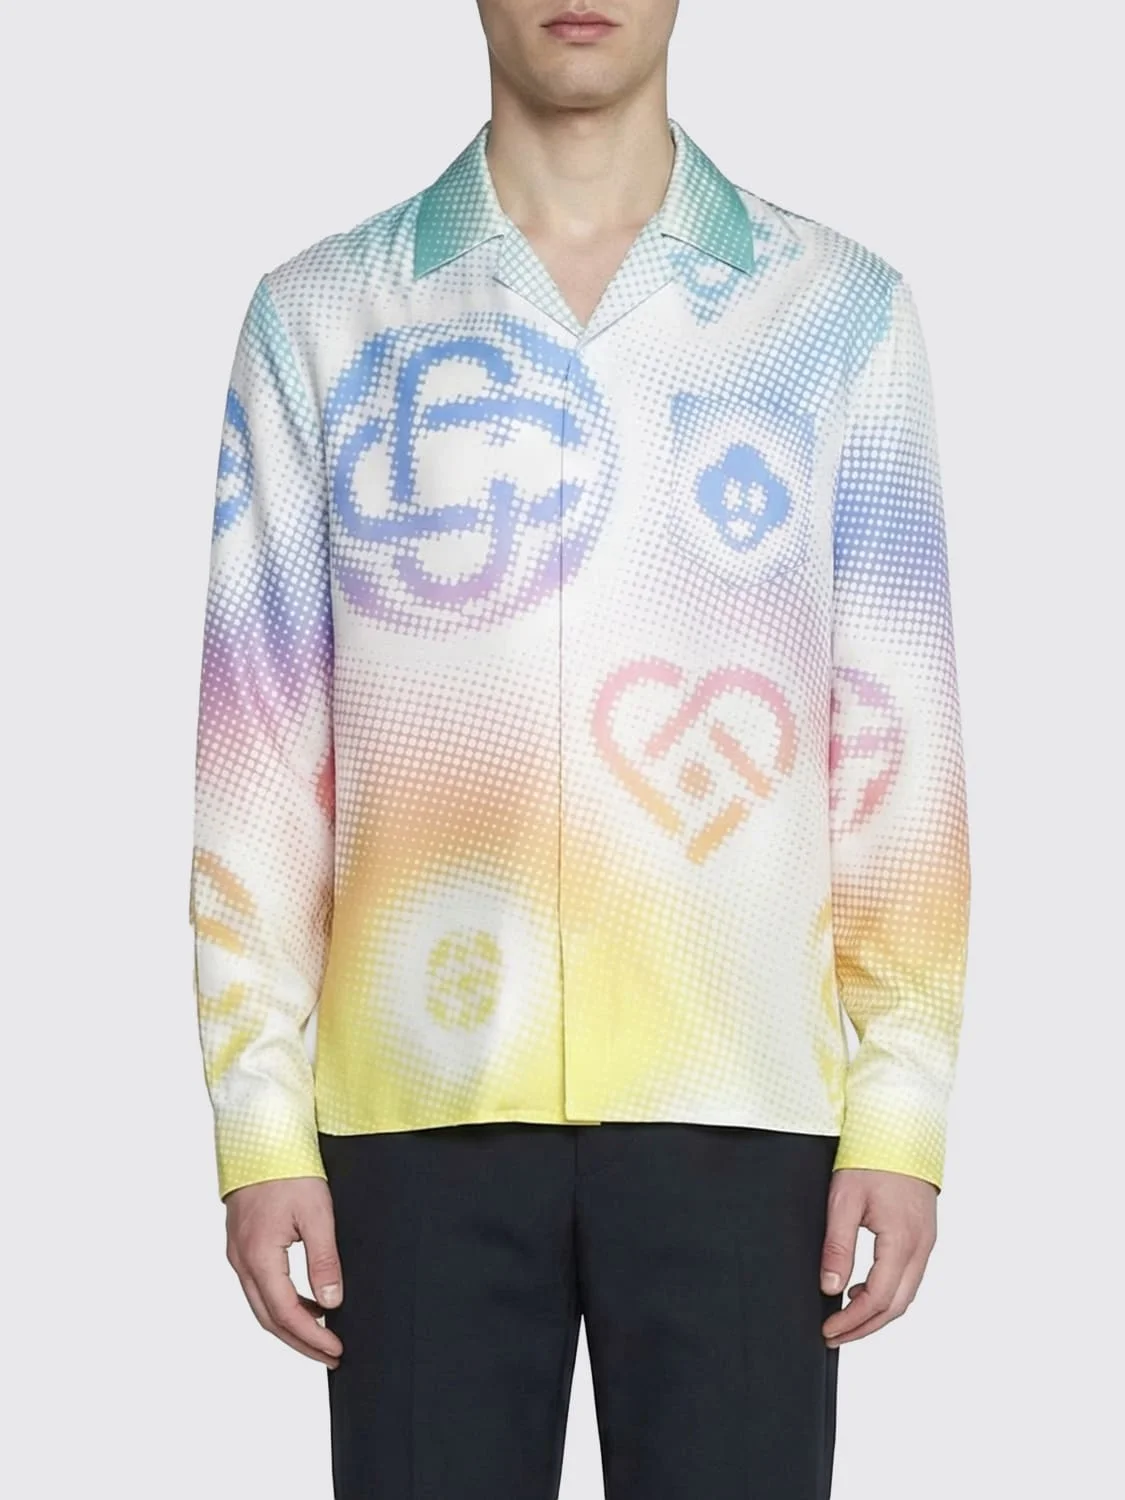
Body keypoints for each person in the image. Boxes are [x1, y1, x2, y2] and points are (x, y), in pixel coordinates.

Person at [188, 3, 971, 1496]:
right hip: (413, 1110)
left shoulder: (840, 315)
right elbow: (259, 751)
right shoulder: (320, 317)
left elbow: (896, 738)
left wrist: (902, 1103)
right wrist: (260, 1124)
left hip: (743, 1103)